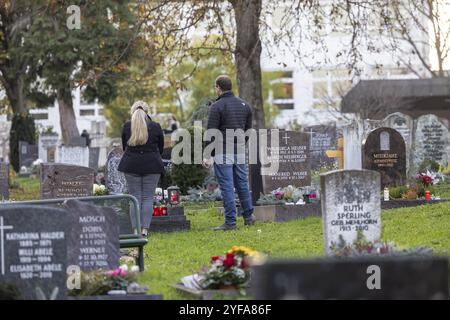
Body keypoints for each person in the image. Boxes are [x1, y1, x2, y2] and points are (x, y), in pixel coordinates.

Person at [204, 75, 256, 231]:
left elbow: (212, 132)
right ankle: (248, 217)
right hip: (240, 150)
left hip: (222, 151)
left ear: (218, 87)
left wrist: (208, 154)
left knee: (227, 186)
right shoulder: (245, 105)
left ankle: (230, 222)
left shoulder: (217, 106)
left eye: (216, 87)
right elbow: (248, 131)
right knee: (242, 184)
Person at [118, 101, 164, 237]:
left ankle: (135, 230)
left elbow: (124, 147)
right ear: (147, 112)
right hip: (152, 165)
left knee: (135, 198)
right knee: (148, 198)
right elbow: (160, 148)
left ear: (132, 111)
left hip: (131, 165)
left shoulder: (127, 126)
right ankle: (144, 230)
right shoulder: (155, 126)